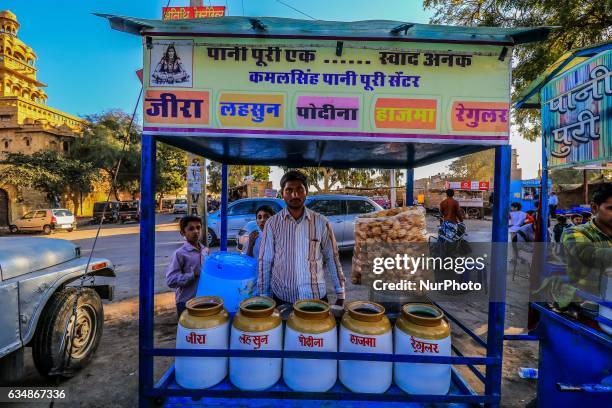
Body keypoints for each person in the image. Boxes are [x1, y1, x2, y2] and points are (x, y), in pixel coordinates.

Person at [258, 170, 346, 306]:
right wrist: (264, 295)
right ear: (283, 194)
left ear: (306, 192)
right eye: (289, 190)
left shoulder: (321, 222)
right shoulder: (272, 224)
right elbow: (265, 261)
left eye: (299, 189)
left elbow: (332, 257)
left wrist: (340, 293)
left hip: (315, 297)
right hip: (282, 297)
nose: (295, 194)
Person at [561, 183, 612, 305]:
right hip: (583, 303)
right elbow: (589, 255)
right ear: (594, 208)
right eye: (611, 208)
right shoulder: (573, 232)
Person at [165, 215, 209, 317]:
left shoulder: (205, 251)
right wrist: (193, 275)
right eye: (191, 229)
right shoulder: (180, 254)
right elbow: (171, 280)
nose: (196, 231)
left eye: (198, 228)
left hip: (203, 300)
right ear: (183, 233)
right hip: (186, 302)